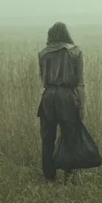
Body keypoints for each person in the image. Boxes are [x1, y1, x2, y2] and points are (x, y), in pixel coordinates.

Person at [37, 22, 85, 182]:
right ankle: (69, 174)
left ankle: (49, 176)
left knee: (47, 138)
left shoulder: (42, 53)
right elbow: (80, 83)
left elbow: (42, 79)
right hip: (67, 97)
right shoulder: (75, 52)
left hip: (48, 97)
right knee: (69, 136)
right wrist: (81, 105)